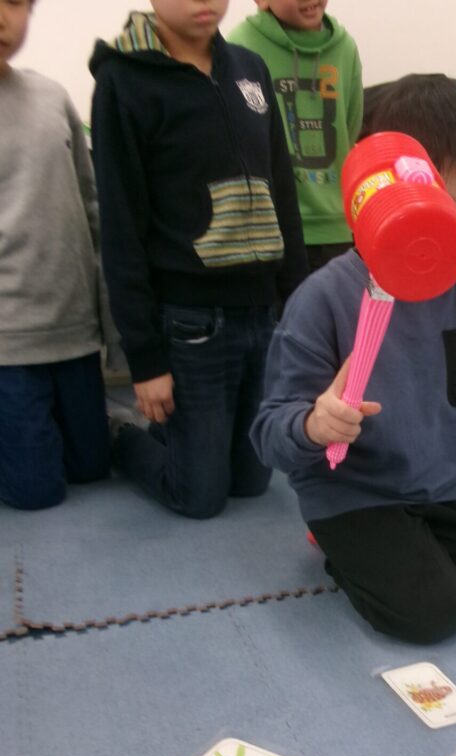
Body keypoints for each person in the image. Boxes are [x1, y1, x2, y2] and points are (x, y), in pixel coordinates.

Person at [252, 74, 456, 644]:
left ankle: (415, 542)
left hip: (446, 486)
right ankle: (337, 548)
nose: (454, 237)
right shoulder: (324, 298)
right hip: (351, 493)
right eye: (437, 211)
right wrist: (314, 424)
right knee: (432, 615)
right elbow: (269, 435)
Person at [89, 0, 307, 519]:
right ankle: (122, 436)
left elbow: (283, 192)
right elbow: (121, 229)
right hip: (192, 324)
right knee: (199, 497)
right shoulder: (123, 81)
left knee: (252, 483)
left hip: (261, 316)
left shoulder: (250, 69)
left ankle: (181, 435)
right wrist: (146, 361)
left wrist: (297, 307)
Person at [0, 0, 110, 511]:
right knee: (37, 492)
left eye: (14, 2)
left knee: (92, 469)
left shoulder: (51, 96)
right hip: (8, 345)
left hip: (73, 331)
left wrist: (107, 319)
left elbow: (92, 206)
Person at [229, 0, 363, 274]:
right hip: (269, 225)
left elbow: (350, 127)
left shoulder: (345, 48)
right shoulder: (241, 45)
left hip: (334, 227)